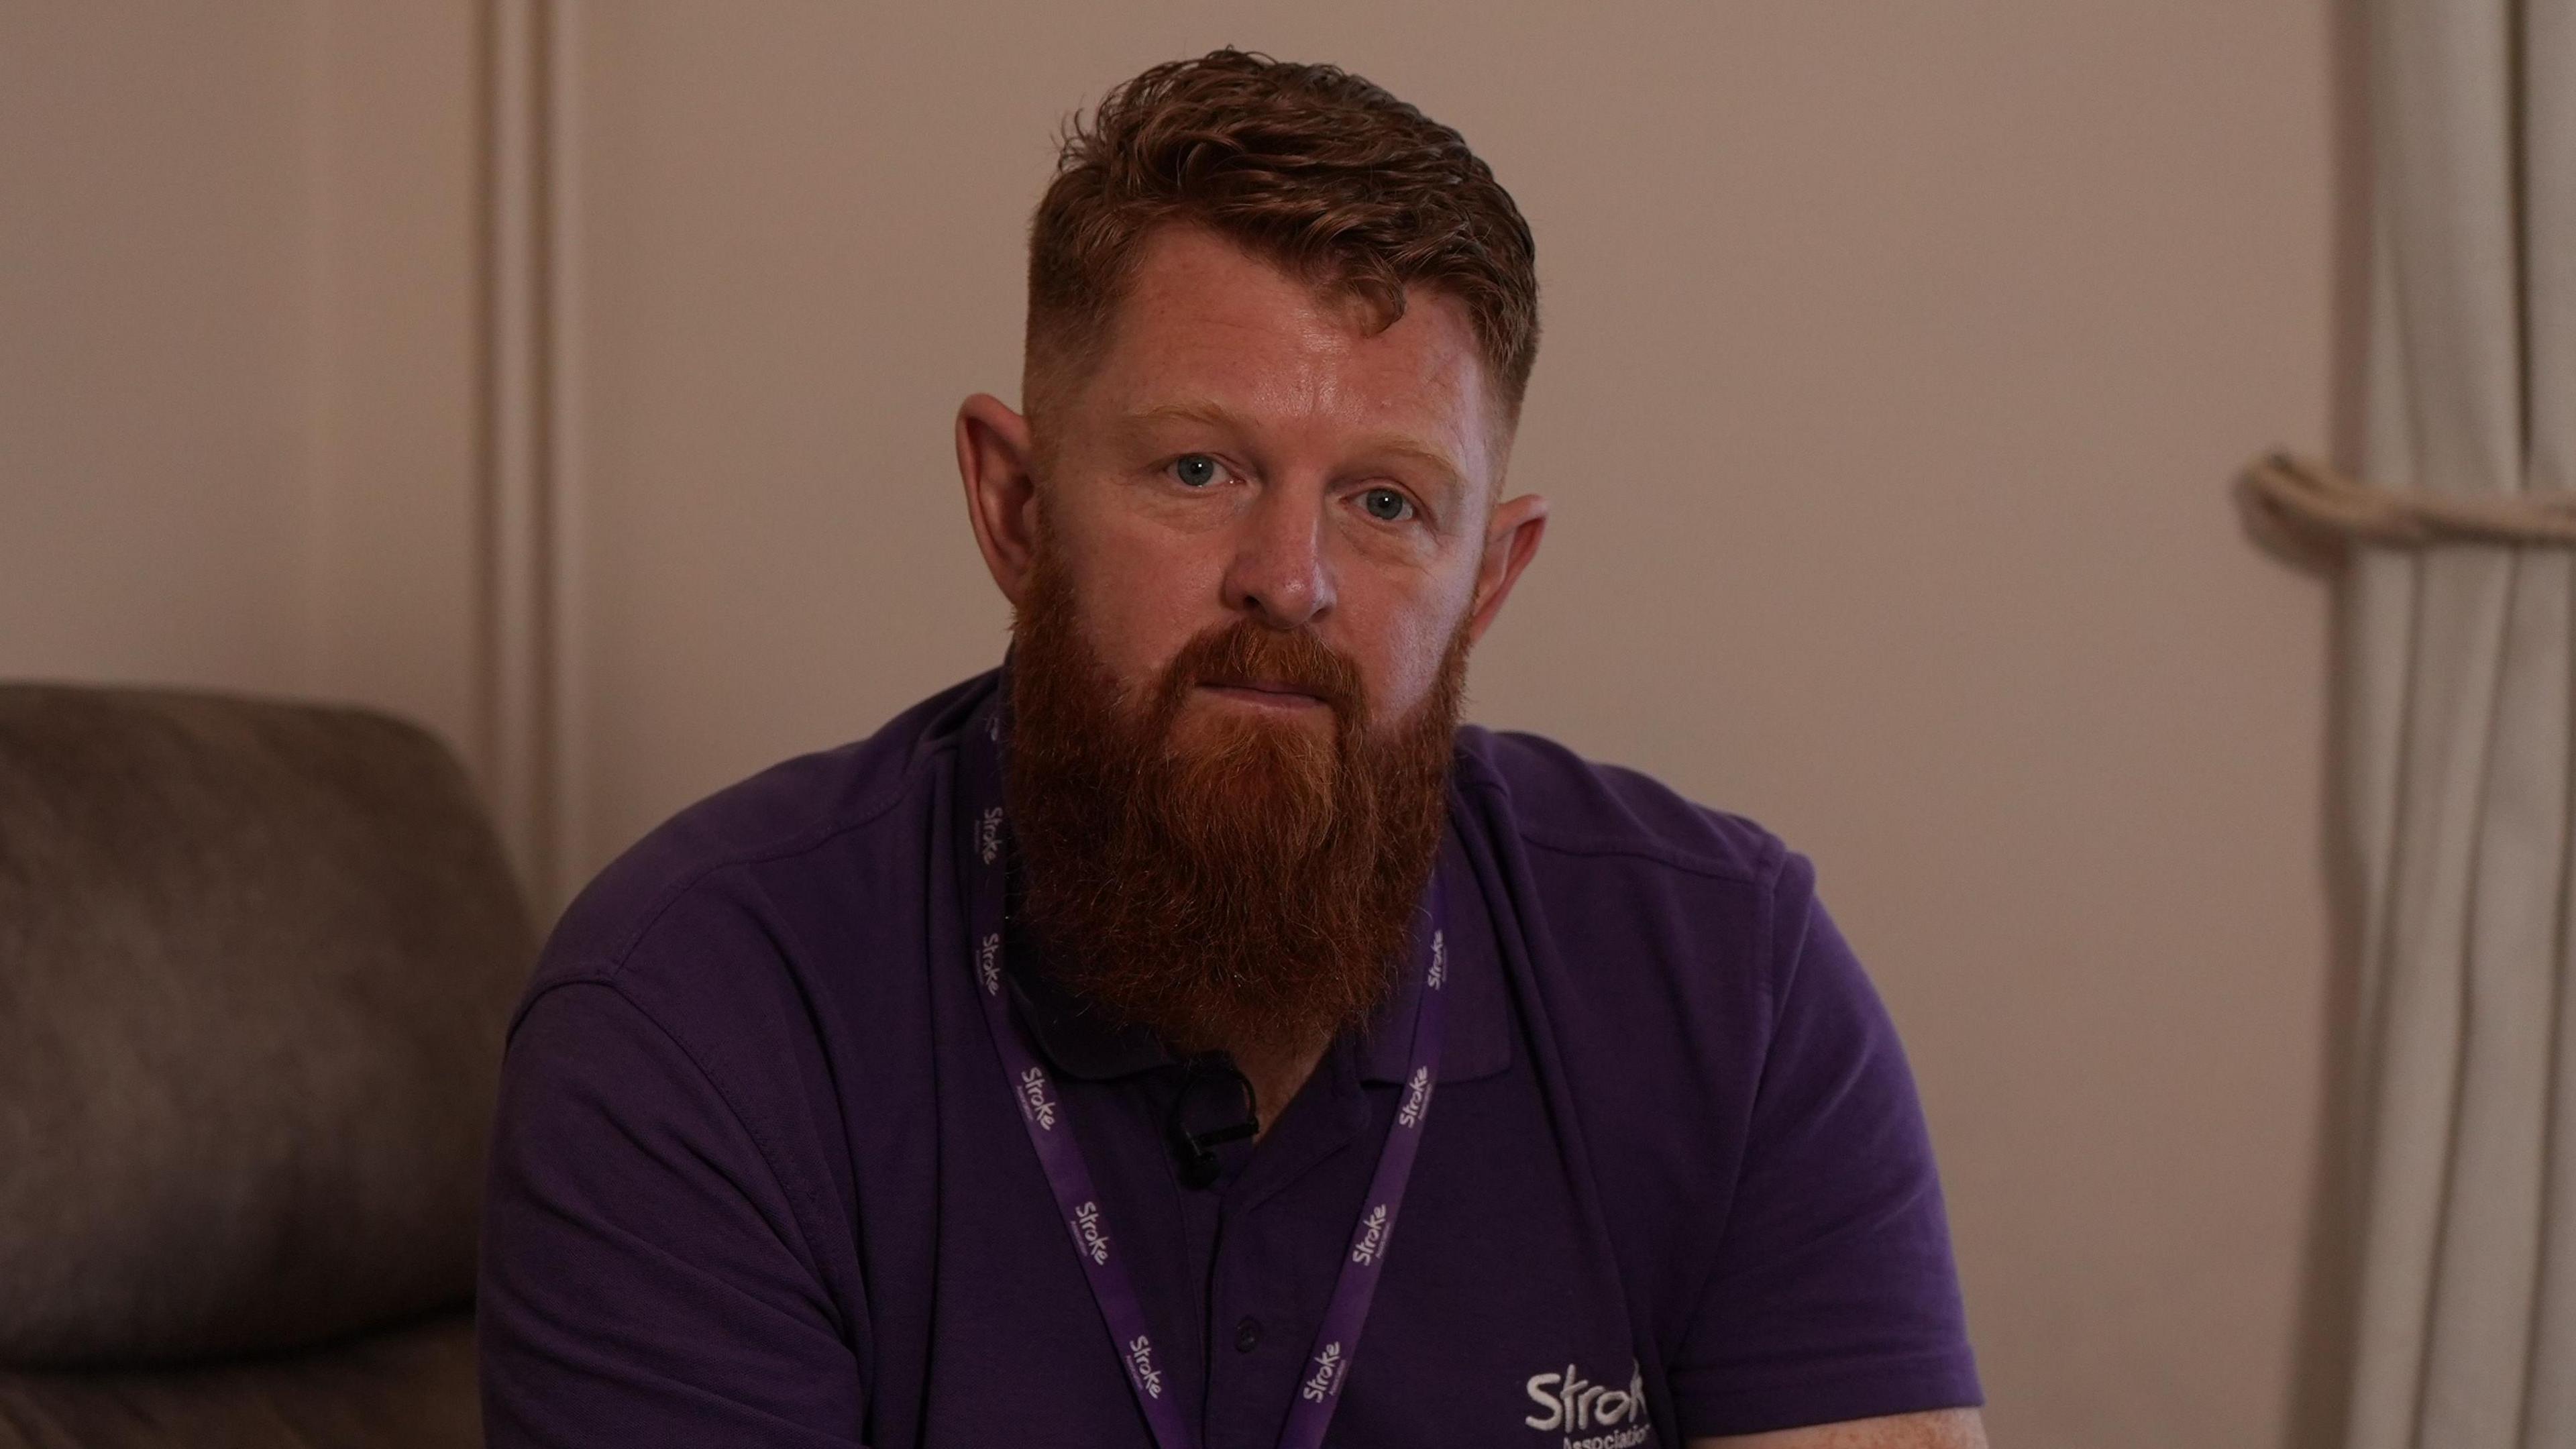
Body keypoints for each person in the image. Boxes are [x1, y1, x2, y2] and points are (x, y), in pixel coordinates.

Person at [478, 48, 1985, 1449]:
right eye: (1198, 468)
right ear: (1015, 506)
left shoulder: (1735, 983)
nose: (1291, 577)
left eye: (1387, 501)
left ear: (1492, 581)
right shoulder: (694, 1014)